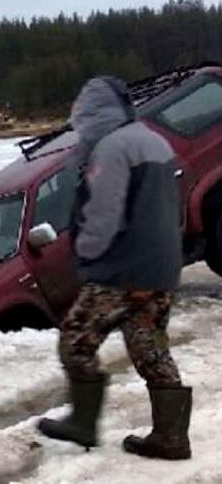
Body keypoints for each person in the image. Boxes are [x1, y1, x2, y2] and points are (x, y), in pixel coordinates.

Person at [37, 77, 190, 460]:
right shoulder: (154, 140)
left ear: (93, 112)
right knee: (150, 346)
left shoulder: (110, 148)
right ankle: (171, 437)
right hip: (162, 267)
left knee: (75, 338)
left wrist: (85, 254)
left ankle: (83, 423)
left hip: (123, 269)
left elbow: (104, 213)